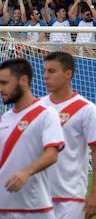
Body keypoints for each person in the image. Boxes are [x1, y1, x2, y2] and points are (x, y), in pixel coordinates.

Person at [40, 51, 96, 219]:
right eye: (45, 71)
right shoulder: (39, 107)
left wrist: (95, 193)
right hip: (38, 196)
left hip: (71, 198)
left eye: (52, 71)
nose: (45, 76)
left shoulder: (86, 109)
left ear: (68, 74)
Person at [0, 58, 65, 217]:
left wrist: (25, 172)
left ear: (23, 81)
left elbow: (52, 154)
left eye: (5, 83)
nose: (1, 88)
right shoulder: (6, 118)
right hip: (3, 208)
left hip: (35, 209)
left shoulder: (46, 113)